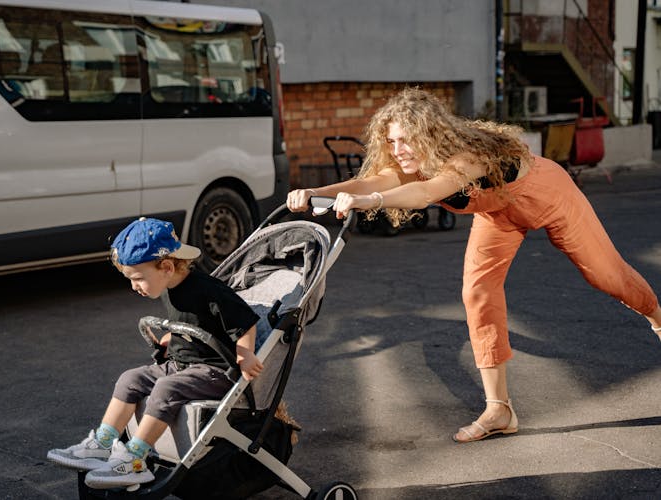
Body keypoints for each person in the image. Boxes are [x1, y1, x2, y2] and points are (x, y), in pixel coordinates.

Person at [287, 87, 661, 443]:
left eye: (404, 140)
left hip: (548, 194)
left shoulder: (467, 155)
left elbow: (427, 193)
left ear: (429, 133)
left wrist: (371, 201)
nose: (397, 150)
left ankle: (657, 316)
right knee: (477, 292)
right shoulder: (413, 162)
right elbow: (372, 180)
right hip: (498, 212)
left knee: (606, 276)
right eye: (391, 141)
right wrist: (315, 193)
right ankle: (499, 410)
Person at [47, 217, 263, 488]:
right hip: (182, 364)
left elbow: (245, 322)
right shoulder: (167, 284)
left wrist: (245, 355)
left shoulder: (207, 289)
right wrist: (171, 337)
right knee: (130, 378)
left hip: (215, 371)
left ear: (167, 267)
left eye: (137, 279)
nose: (133, 286)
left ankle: (136, 461)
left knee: (166, 388)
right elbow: (192, 321)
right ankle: (101, 444)